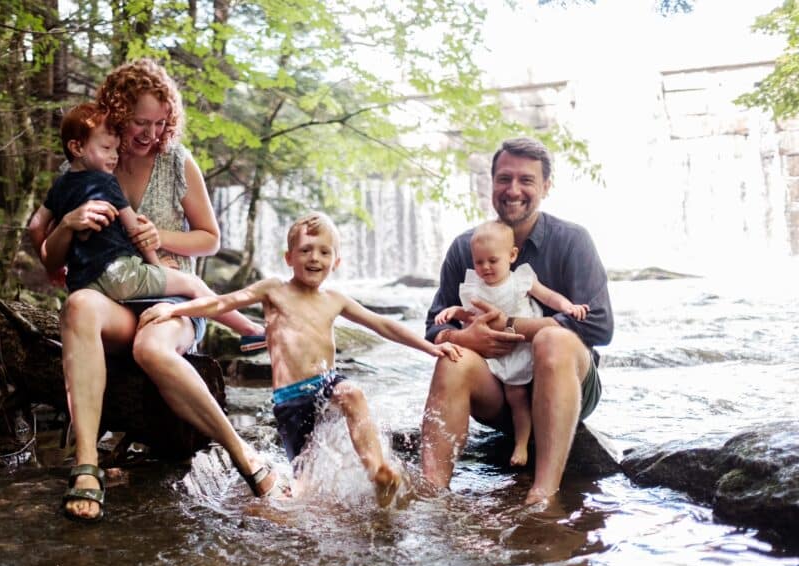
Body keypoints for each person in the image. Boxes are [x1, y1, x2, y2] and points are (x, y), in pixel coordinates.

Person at [27, 58, 284, 522]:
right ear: (118, 114)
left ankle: (243, 455)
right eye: (140, 123)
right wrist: (67, 224)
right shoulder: (92, 158)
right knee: (80, 305)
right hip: (114, 298)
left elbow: (210, 238)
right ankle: (87, 465)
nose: (149, 134)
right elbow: (49, 256)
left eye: (160, 123)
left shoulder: (176, 161)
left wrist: (157, 237)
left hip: (176, 299)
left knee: (151, 346)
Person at [139, 211, 464, 506]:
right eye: (306, 250)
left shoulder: (334, 299)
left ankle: (378, 472)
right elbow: (222, 303)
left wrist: (431, 348)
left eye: (324, 252)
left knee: (351, 393)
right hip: (290, 401)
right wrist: (175, 308)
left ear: (336, 262)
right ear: (289, 257)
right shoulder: (274, 290)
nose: (315, 258)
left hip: (325, 384)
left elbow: (382, 324)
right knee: (303, 494)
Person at [421, 137, 614, 505]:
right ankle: (431, 494)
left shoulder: (573, 240)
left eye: (526, 180)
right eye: (503, 179)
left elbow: (600, 326)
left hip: (567, 384)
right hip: (499, 394)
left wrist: (510, 327)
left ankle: (543, 493)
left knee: (552, 340)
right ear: (491, 183)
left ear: (545, 187)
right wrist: (464, 339)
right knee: (452, 358)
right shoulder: (466, 247)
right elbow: (434, 327)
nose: (513, 190)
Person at [32, 102, 265, 344]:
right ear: (77, 147)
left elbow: (35, 226)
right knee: (194, 284)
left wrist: (52, 268)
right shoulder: (105, 182)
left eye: (160, 123)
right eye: (141, 123)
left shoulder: (63, 182)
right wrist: (157, 267)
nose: (113, 156)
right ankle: (251, 330)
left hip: (86, 284)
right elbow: (136, 230)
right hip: (120, 278)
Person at [433, 220, 590, 468]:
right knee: (514, 394)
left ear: (512, 255)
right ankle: (517, 443)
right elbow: (467, 314)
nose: (485, 267)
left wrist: (568, 307)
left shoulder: (521, 280)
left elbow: (548, 295)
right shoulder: (475, 287)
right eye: (479, 262)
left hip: (524, 346)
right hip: (496, 355)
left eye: (492, 261)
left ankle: (530, 443)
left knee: (529, 388)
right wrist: (451, 312)